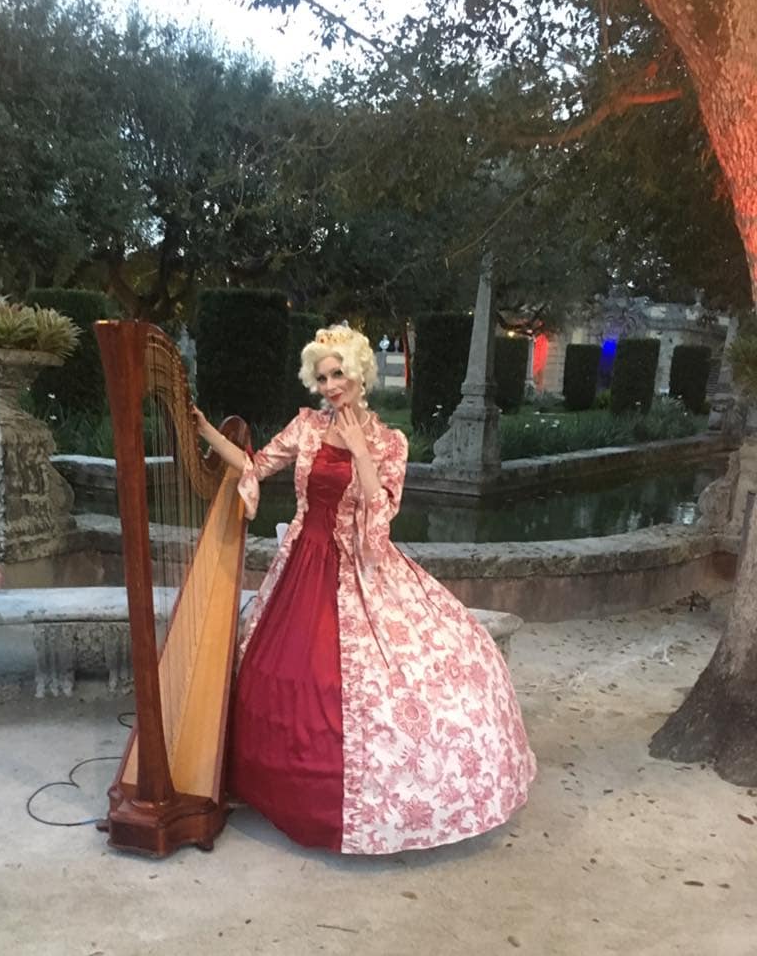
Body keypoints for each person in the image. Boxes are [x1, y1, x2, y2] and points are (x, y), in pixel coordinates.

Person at [193, 325, 535, 854]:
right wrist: (203, 430)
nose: (331, 385)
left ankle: (365, 808)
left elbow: (384, 509)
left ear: (359, 375)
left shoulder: (388, 441)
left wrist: (360, 451)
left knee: (429, 665)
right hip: (302, 562)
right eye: (322, 376)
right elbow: (256, 465)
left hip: (356, 562)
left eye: (340, 374)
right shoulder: (306, 427)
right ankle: (273, 790)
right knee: (279, 668)